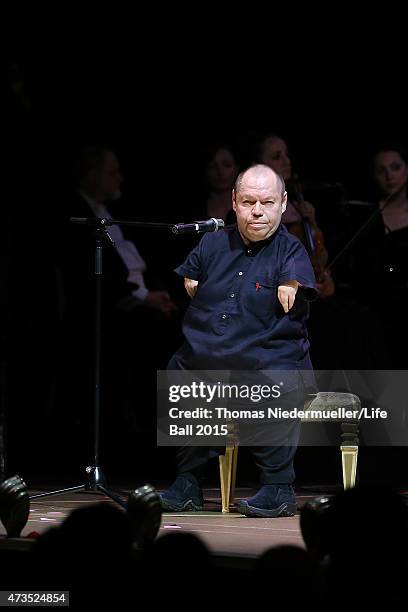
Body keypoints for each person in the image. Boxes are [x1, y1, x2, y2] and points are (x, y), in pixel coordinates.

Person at [159, 164, 317, 518]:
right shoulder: (212, 242)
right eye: (248, 202)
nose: (257, 211)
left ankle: (278, 487)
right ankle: (188, 482)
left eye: (267, 202)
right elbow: (189, 273)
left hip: (268, 357)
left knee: (270, 381)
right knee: (183, 372)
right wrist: (190, 278)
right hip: (210, 357)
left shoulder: (290, 250)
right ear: (233, 201)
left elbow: (299, 281)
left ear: (283, 203)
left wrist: (289, 284)